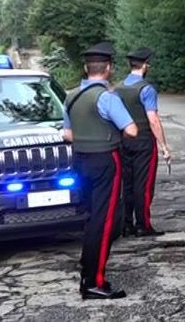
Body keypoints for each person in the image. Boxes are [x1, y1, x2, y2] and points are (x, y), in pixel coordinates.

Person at [63, 42, 138, 300]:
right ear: (107, 69)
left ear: (86, 68)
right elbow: (131, 130)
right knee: (104, 221)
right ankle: (94, 282)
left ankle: (87, 270)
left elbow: (67, 135)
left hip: (80, 161)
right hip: (106, 160)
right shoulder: (106, 97)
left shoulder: (70, 96)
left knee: (91, 217)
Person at [116, 47, 171, 238]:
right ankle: (143, 224)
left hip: (123, 141)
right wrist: (164, 146)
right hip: (144, 142)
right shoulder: (146, 89)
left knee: (127, 184)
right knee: (144, 184)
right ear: (145, 65)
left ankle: (126, 224)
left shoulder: (118, 88)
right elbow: (153, 120)